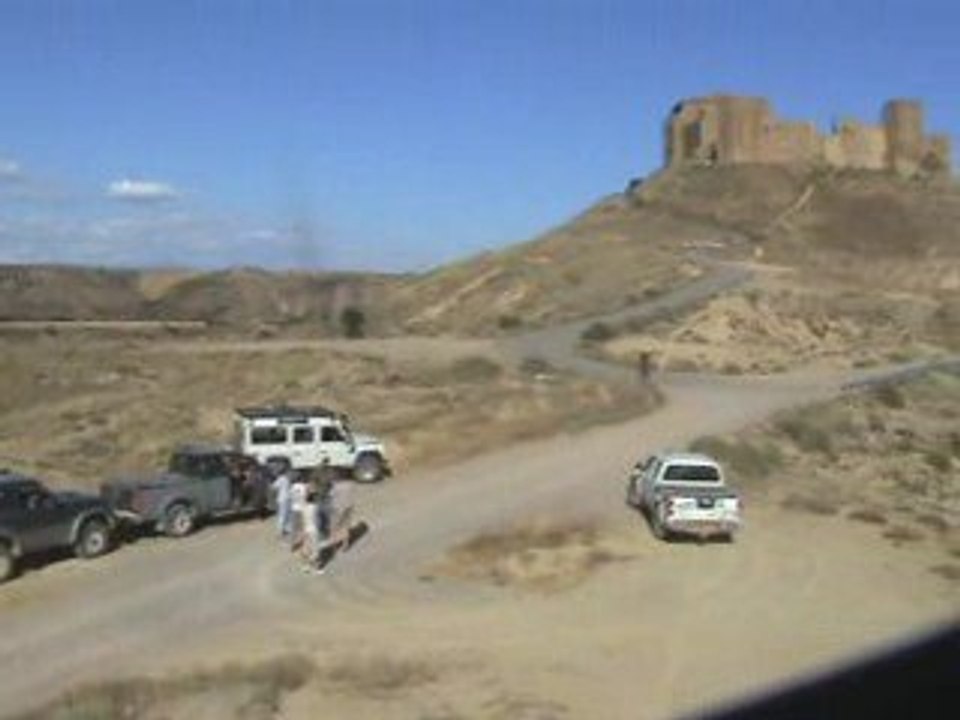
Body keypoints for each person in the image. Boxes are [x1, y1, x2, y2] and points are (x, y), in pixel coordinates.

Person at [270, 460, 294, 540]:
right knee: (288, 515)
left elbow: (273, 487)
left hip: (282, 499)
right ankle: (288, 530)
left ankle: (280, 532)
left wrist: (270, 484)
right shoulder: (287, 479)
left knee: (282, 515)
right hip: (288, 498)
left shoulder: (280, 479)